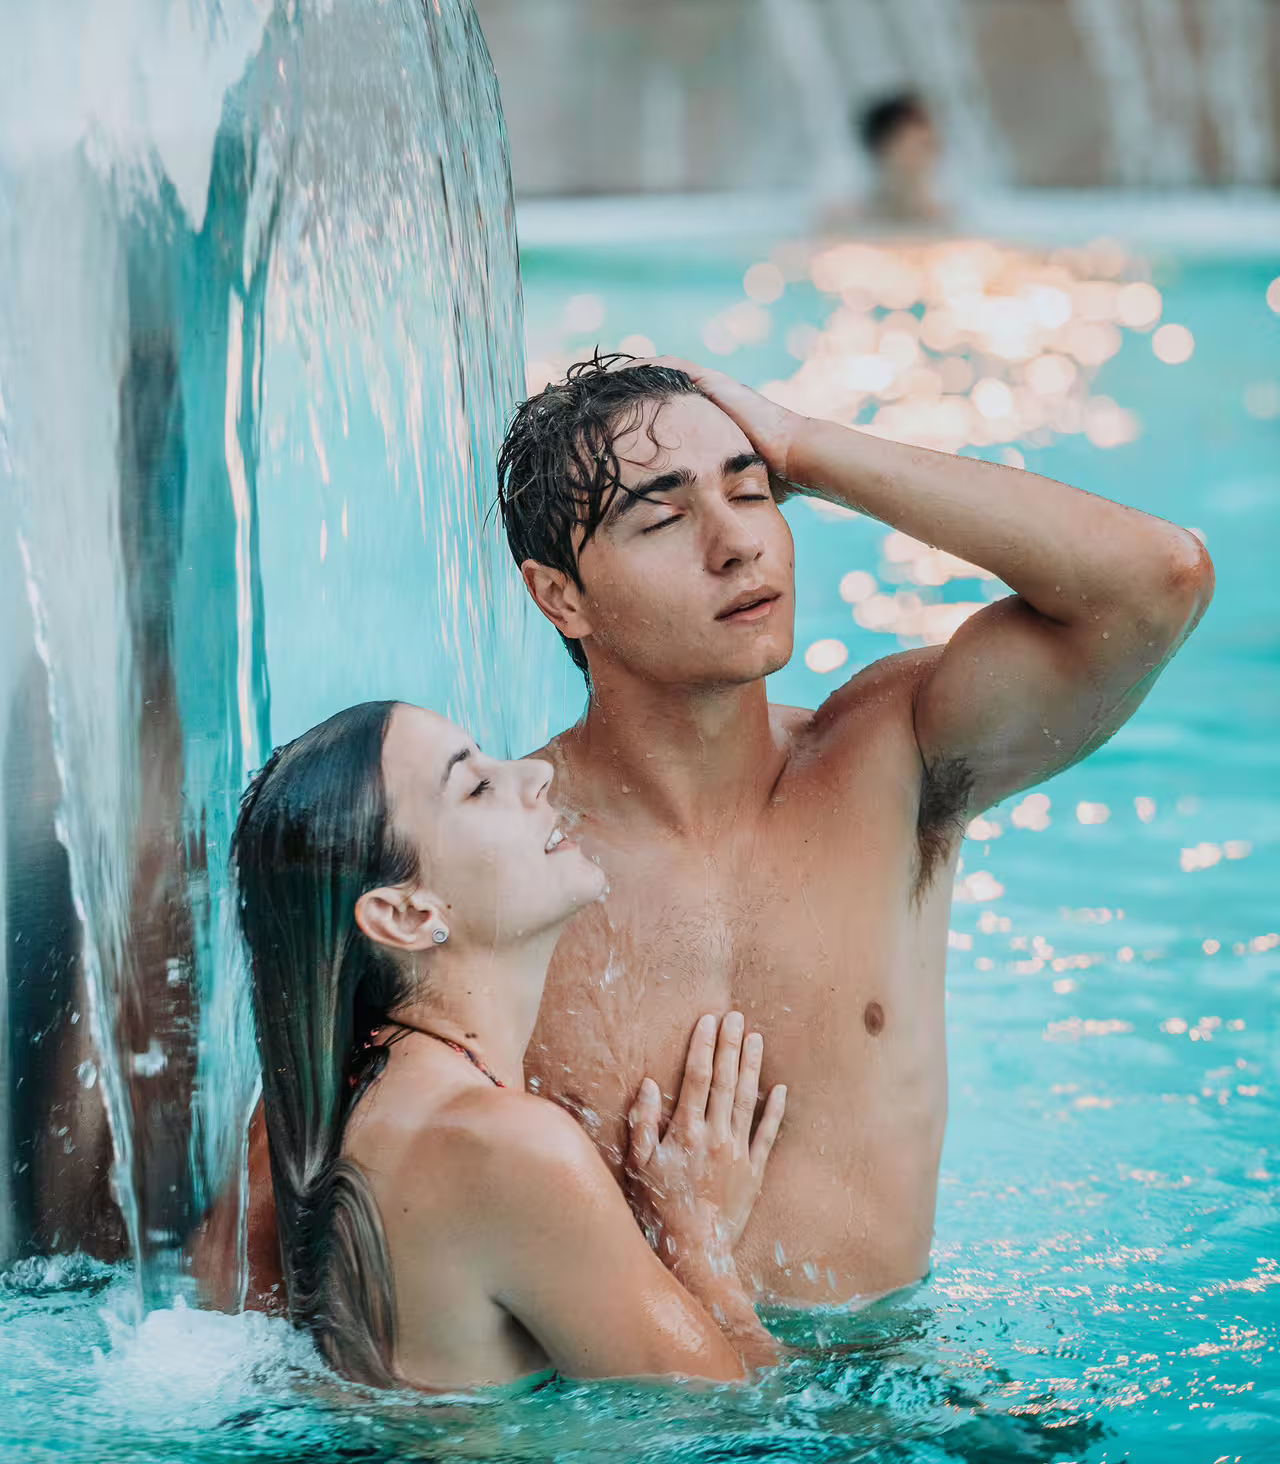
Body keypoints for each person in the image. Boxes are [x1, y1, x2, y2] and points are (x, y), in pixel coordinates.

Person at [231, 350, 1211, 1312]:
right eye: (661, 515)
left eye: (753, 494)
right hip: (632, 1418)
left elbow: (1154, 582)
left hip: (881, 1390)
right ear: (557, 595)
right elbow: (279, 1221)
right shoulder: (500, 870)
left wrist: (807, 446)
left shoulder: (891, 757)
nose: (736, 543)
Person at [230, 697, 784, 1390]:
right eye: (478, 786)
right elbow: (744, 1422)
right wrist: (701, 1249)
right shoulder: (510, 1148)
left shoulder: (300, 1114)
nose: (537, 774)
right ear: (407, 914)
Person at [855, 90, 943, 224]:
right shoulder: (846, 220)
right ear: (882, 147)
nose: (933, 155)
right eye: (920, 146)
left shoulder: (948, 222)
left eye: (931, 145)